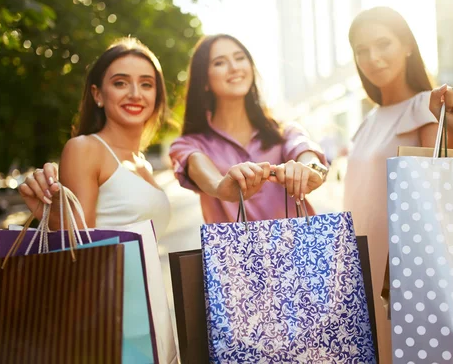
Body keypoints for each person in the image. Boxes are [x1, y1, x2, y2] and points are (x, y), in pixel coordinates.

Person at [18, 37, 178, 364]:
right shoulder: (85, 149)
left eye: (146, 84)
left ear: (157, 96)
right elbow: (78, 250)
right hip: (105, 327)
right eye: (121, 83)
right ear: (97, 94)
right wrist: (47, 211)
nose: (135, 93)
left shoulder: (143, 164)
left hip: (152, 320)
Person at [344, 7, 453, 363]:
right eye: (361, 50)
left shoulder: (425, 106)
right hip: (358, 268)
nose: (372, 58)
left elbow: (443, 184)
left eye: (383, 43)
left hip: (400, 272)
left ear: (407, 45)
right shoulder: (368, 119)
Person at [169, 34, 328, 223]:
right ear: (203, 80)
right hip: (233, 252)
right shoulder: (189, 145)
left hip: (301, 249)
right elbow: (197, 164)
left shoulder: (283, 131)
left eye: (240, 58)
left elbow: (304, 150)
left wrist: (310, 170)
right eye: (220, 63)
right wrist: (221, 186)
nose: (234, 67)